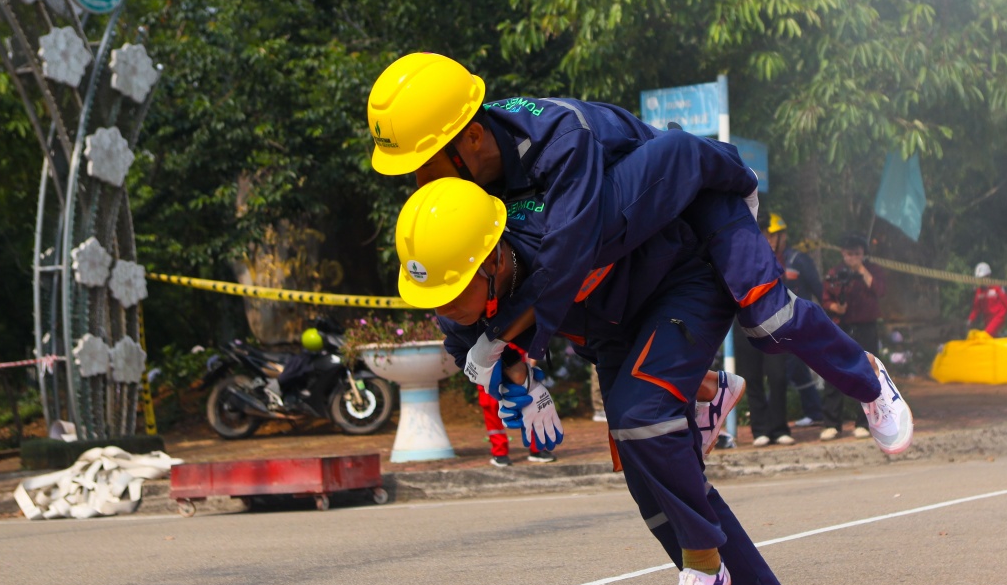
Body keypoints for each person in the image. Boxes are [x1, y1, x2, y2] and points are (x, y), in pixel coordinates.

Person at [366, 53, 911, 456]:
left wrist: (509, 346)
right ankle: (708, 394)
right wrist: (502, 368)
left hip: (698, 201)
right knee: (618, 374)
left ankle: (867, 378)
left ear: (474, 139)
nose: (417, 181)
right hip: (644, 247)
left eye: (424, 162)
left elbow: (567, 255)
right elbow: (465, 281)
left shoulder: (560, 138)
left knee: (770, 320)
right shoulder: (475, 190)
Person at [397, 178, 803, 585]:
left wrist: (730, 175)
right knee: (648, 479)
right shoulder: (466, 283)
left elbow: (663, 179)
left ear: (490, 261)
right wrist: (521, 382)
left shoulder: (558, 232)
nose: (442, 309)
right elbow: (467, 341)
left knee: (645, 422)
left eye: (451, 294)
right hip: (614, 332)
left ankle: (711, 556)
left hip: (672, 287)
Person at [820, 234, 887, 441]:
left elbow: (880, 290)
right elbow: (825, 298)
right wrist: (835, 307)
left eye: (857, 254)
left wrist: (861, 270)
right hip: (841, 326)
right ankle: (832, 424)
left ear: (863, 254)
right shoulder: (836, 273)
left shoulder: (872, 270)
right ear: (843, 253)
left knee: (866, 373)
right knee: (834, 372)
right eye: (849, 254)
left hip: (866, 326)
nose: (853, 258)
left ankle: (864, 422)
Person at [768, 213, 826, 427]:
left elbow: (818, 288)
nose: (771, 241)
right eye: (768, 236)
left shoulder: (797, 259)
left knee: (784, 369)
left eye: (775, 236)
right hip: (776, 325)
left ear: (784, 236)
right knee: (799, 371)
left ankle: (767, 414)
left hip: (799, 325)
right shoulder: (768, 260)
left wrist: (831, 314)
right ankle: (815, 412)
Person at [966, 263, 1007, 337]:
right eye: (979, 279)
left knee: (985, 335)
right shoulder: (979, 291)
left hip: (999, 316)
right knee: (991, 337)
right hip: (988, 319)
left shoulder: (996, 287)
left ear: (988, 276)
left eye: (983, 278)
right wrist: (970, 320)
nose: (981, 281)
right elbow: (976, 308)